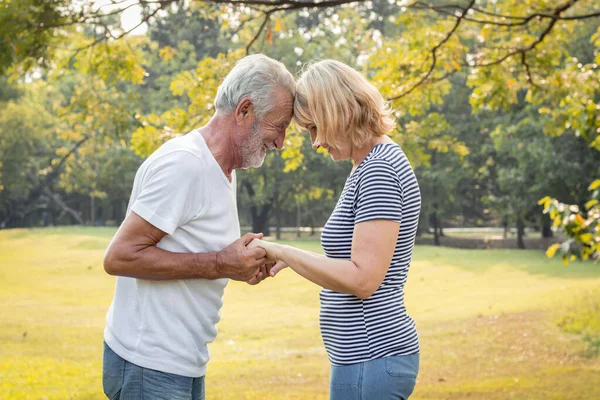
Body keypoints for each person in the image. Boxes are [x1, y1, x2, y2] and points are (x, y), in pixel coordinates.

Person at [101, 54, 295, 400]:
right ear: (244, 110)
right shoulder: (185, 165)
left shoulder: (223, 170)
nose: (280, 142)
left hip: (182, 364)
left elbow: (195, 248)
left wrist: (240, 264)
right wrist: (219, 263)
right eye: (278, 126)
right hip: (149, 366)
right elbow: (119, 257)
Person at [249, 60, 421, 400]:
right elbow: (354, 260)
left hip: (371, 358)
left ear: (337, 113)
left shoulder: (379, 172)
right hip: (362, 360)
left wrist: (283, 250)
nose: (314, 143)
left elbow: (363, 280)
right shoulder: (367, 165)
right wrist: (292, 261)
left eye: (314, 128)